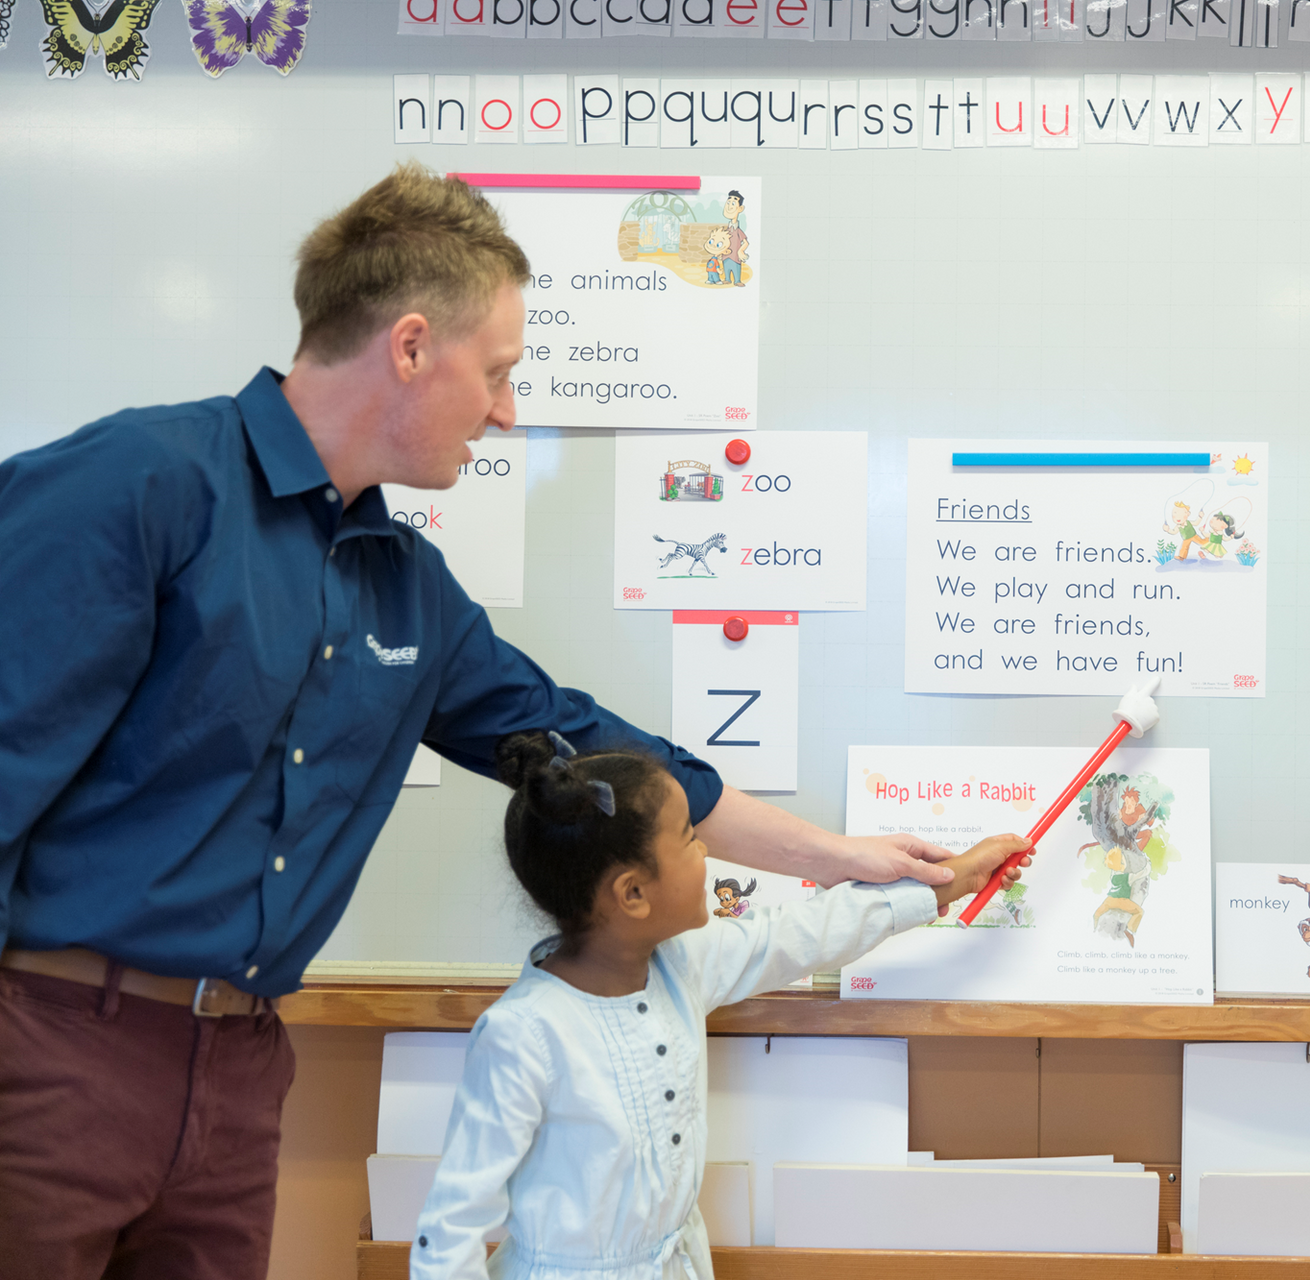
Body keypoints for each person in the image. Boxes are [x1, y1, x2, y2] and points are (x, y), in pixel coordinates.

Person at [0, 162, 957, 1280]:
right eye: (497, 373)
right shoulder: (140, 483)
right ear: (411, 346)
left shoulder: (410, 590)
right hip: (55, 1046)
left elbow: (592, 744)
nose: (507, 412)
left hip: (242, 1068)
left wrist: (845, 855)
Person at [411, 731, 1029, 1280]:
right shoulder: (524, 1033)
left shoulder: (681, 965)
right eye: (690, 839)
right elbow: (450, 1232)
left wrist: (948, 884)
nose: (708, 853)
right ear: (632, 894)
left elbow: (798, 934)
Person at [720, 189, 748, 287]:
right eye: (728, 202)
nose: (729, 206)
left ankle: (737, 280)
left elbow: (745, 242)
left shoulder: (738, 231)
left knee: (735, 268)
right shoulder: (726, 230)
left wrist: (741, 251)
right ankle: (727, 278)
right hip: (725, 256)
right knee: (726, 267)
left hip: (735, 257)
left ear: (740, 208)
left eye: (733, 203)